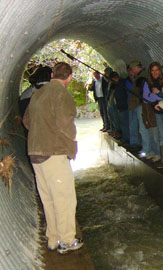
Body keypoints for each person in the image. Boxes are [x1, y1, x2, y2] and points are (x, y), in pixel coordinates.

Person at [23, 62, 83, 254]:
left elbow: (26, 121)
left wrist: (41, 132)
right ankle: (67, 240)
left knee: (48, 197)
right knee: (64, 198)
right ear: (69, 78)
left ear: (51, 75)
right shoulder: (61, 94)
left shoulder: (37, 93)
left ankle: (53, 238)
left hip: (35, 153)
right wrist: (72, 143)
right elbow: (66, 125)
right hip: (53, 153)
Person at [142, 62, 163, 163]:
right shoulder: (147, 81)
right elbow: (145, 98)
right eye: (153, 71)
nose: (155, 72)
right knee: (158, 134)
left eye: (157, 70)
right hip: (156, 111)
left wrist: (154, 94)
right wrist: (157, 94)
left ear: (160, 70)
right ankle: (160, 155)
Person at [126, 61, 145, 151]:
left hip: (139, 105)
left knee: (141, 127)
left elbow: (139, 90)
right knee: (133, 125)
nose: (132, 71)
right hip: (133, 104)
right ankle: (134, 144)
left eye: (132, 68)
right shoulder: (135, 77)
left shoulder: (142, 77)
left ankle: (143, 146)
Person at [88, 67, 112, 132]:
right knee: (102, 112)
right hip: (99, 98)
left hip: (104, 97)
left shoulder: (103, 79)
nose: (96, 77)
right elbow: (90, 89)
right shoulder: (94, 81)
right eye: (94, 76)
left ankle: (108, 126)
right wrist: (90, 86)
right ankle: (104, 125)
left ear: (99, 74)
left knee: (106, 112)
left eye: (96, 75)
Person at [111, 71, 129, 142]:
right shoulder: (119, 84)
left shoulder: (122, 83)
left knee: (125, 124)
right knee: (123, 123)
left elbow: (122, 96)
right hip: (121, 106)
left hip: (124, 107)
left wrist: (120, 107)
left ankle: (126, 139)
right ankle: (125, 138)